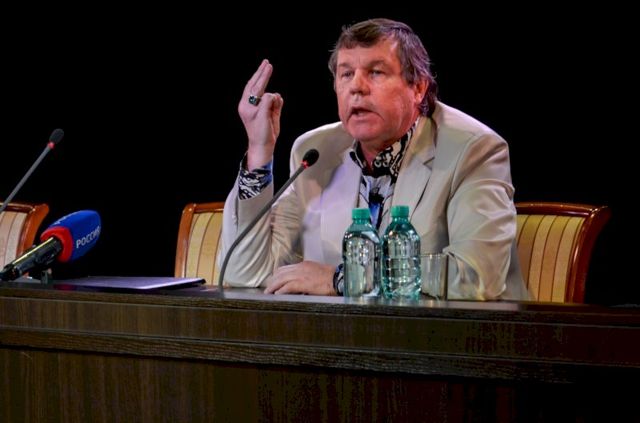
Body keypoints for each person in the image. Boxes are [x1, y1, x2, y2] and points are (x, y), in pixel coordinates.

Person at [219, 18, 528, 300]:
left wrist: (344, 279)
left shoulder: (473, 149)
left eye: (376, 72)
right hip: (344, 337)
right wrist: (259, 152)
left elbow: (475, 276)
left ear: (418, 87)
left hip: (456, 337)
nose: (357, 86)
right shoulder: (315, 152)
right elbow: (245, 274)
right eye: (346, 74)